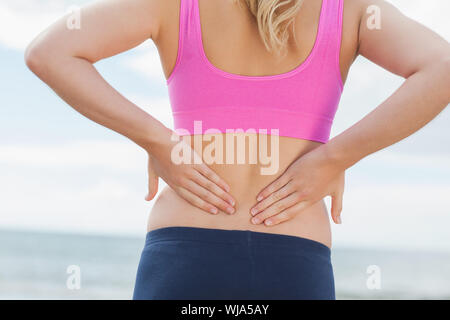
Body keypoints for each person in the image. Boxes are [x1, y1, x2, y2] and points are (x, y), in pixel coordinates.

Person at [25, 0, 450, 299]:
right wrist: (334, 158)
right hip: (295, 255)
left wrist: (158, 141)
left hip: (184, 252)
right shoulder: (351, 9)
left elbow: (50, 52)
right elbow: (441, 67)